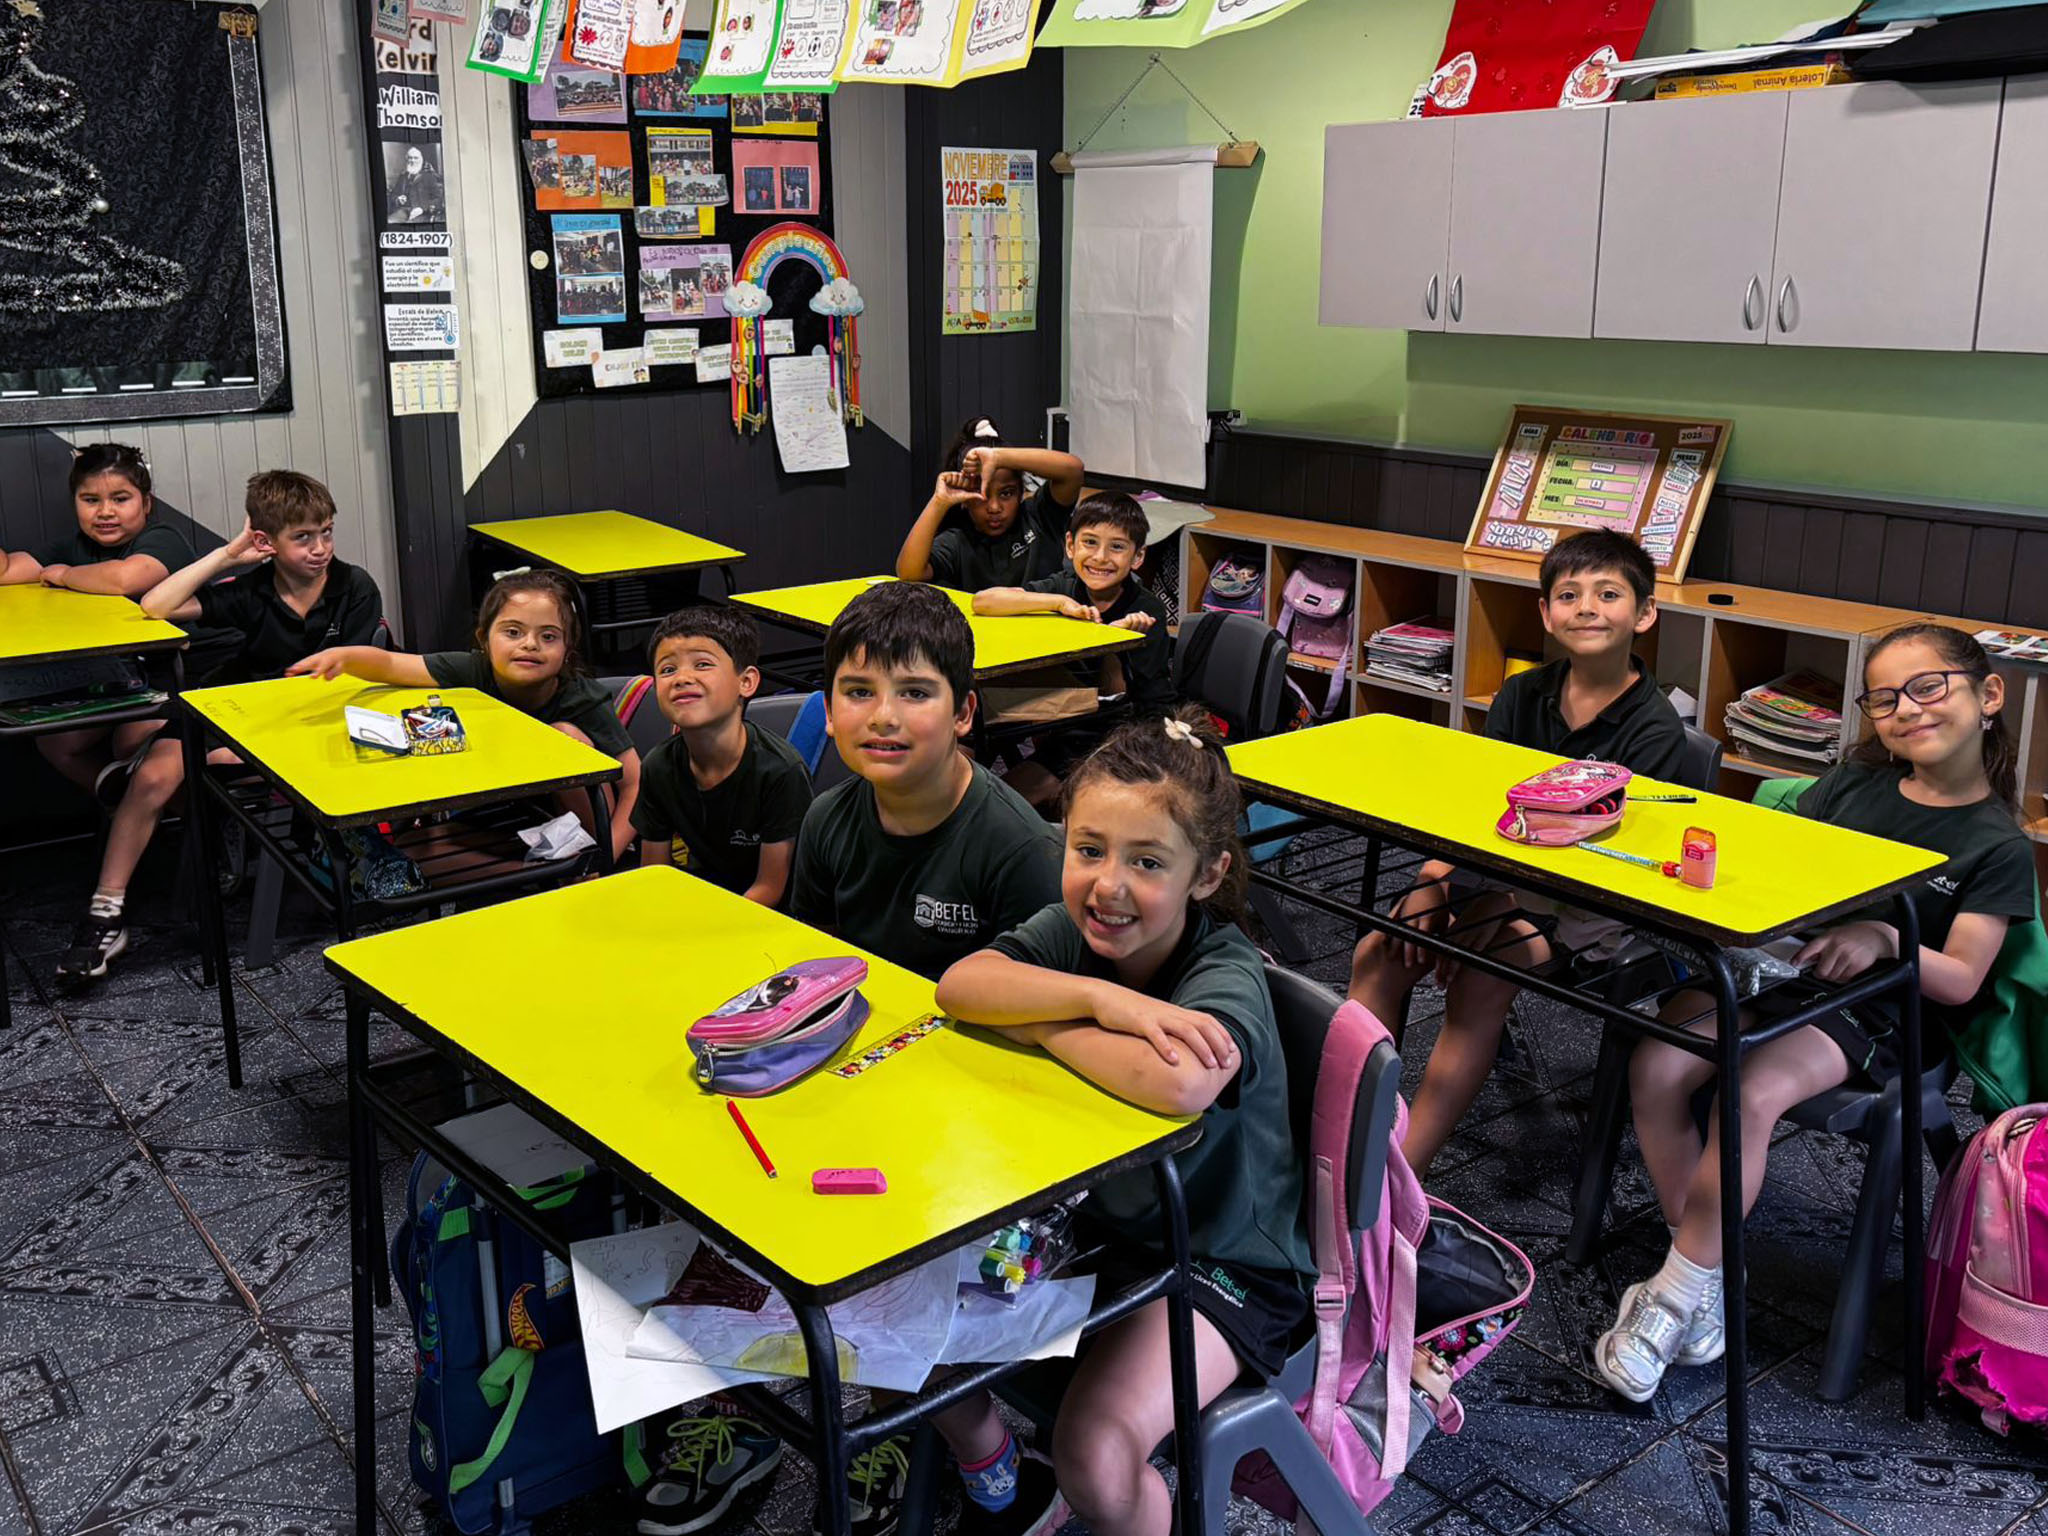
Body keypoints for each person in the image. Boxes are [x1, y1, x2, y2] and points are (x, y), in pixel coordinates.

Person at [637, 582, 1062, 1536]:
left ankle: (905, 1432)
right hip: (861, 1093)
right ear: (828, 709)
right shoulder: (832, 821)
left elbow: (1042, 1035)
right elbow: (822, 986)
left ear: (964, 712)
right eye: (857, 691)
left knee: (877, 1279)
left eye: (913, 693)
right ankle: (748, 1410)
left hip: (980, 1123)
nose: (882, 715)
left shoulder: (1014, 848)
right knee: (718, 1196)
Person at [1595, 623, 2035, 1404]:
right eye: (1886, 698)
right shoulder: (1852, 788)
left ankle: (1668, 1301)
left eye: (1928, 686)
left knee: (1751, 1092)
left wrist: (1882, 936)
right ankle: (1701, 1276)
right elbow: (1781, 869)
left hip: (1880, 1013)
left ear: (1989, 695)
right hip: (1786, 976)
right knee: (1657, 1063)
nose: (1906, 709)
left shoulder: (1997, 845)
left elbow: (1963, 977)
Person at [935, 707, 1314, 1536]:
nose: (1108, 885)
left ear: (1206, 875)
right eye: (1088, 850)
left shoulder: (1224, 967)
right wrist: (1099, 999)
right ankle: (1003, 1483)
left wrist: (1032, 1019)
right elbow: (961, 985)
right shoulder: (1081, 944)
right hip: (1104, 1232)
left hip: (1226, 1265)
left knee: (1099, 1454)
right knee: (910, 1335)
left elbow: (1177, 1082)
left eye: (1147, 862)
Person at [1349, 528, 1686, 1177]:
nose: (1587, 607)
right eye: (1568, 594)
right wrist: (1432, 881)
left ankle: (1397, 1175)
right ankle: (1352, 1122)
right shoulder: (1521, 695)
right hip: (1495, 876)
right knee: (1381, 947)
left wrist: (1478, 904)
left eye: (1608, 593)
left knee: (1479, 972)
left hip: (1591, 907)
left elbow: (1605, 863)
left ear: (1644, 613)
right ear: (1545, 613)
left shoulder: (1655, 731)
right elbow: (1479, 812)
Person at [44, 472, 377, 985]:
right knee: (157, 774)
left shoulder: (354, 586)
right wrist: (228, 555)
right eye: (304, 537)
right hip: (236, 705)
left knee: (199, 765)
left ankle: (174, 790)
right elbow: (154, 607)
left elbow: (355, 674)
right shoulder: (253, 589)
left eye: (326, 533)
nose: (320, 548)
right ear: (266, 542)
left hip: (308, 719)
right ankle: (105, 914)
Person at [290, 569, 640, 862]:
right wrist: (344, 658)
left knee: (564, 735)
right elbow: (394, 664)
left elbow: (636, 785)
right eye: (513, 632)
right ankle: (541, 877)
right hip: (508, 813)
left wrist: (608, 852)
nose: (530, 644)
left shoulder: (582, 699)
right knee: (416, 854)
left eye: (548, 636)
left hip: (582, 827)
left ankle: (583, 864)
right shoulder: (474, 669)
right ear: (484, 641)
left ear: (567, 652)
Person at [1, 443, 200, 839]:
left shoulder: (164, 538)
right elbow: (7, 571)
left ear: (146, 503)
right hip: (115, 679)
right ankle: (125, 803)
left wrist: (63, 575)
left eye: (120, 499)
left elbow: (126, 579)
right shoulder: (73, 547)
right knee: (55, 742)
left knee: (131, 740)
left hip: (182, 679)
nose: (105, 511)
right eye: (90, 499)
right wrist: (55, 567)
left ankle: (204, 827)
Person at [973, 491, 1171, 809]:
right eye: (1090, 542)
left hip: (1129, 732)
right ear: (1070, 545)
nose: (1100, 557)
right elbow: (984, 601)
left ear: (1137, 557)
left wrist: (1112, 643)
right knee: (975, 729)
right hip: (1069, 720)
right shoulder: (1066, 587)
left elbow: (1117, 699)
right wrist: (1058, 603)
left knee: (1004, 803)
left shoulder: (1147, 610)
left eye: (1117, 547)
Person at [633, 606, 812, 906]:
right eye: (667, 669)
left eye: (702, 664)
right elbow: (654, 876)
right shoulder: (658, 765)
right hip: (706, 900)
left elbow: (769, 889)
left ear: (747, 682)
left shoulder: (780, 770)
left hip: (773, 916)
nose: (682, 678)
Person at [895, 417, 1082, 591]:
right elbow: (909, 573)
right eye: (981, 494)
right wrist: (939, 502)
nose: (994, 508)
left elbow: (1073, 470)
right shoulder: (958, 542)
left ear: (1020, 492)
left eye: (1006, 493)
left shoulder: (1040, 517)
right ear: (964, 499)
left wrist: (999, 457)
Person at [388, 144, 444, 223]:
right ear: (407, 160)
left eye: (415, 158)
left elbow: (438, 199)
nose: (413, 160)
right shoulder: (403, 176)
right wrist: (398, 199)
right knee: (390, 221)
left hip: (423, 212)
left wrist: (422, 208)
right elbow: (393, 195)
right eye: (410, 158)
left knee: (410, 225)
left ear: (420, 160)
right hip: (404, 211)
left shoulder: (429, 176)